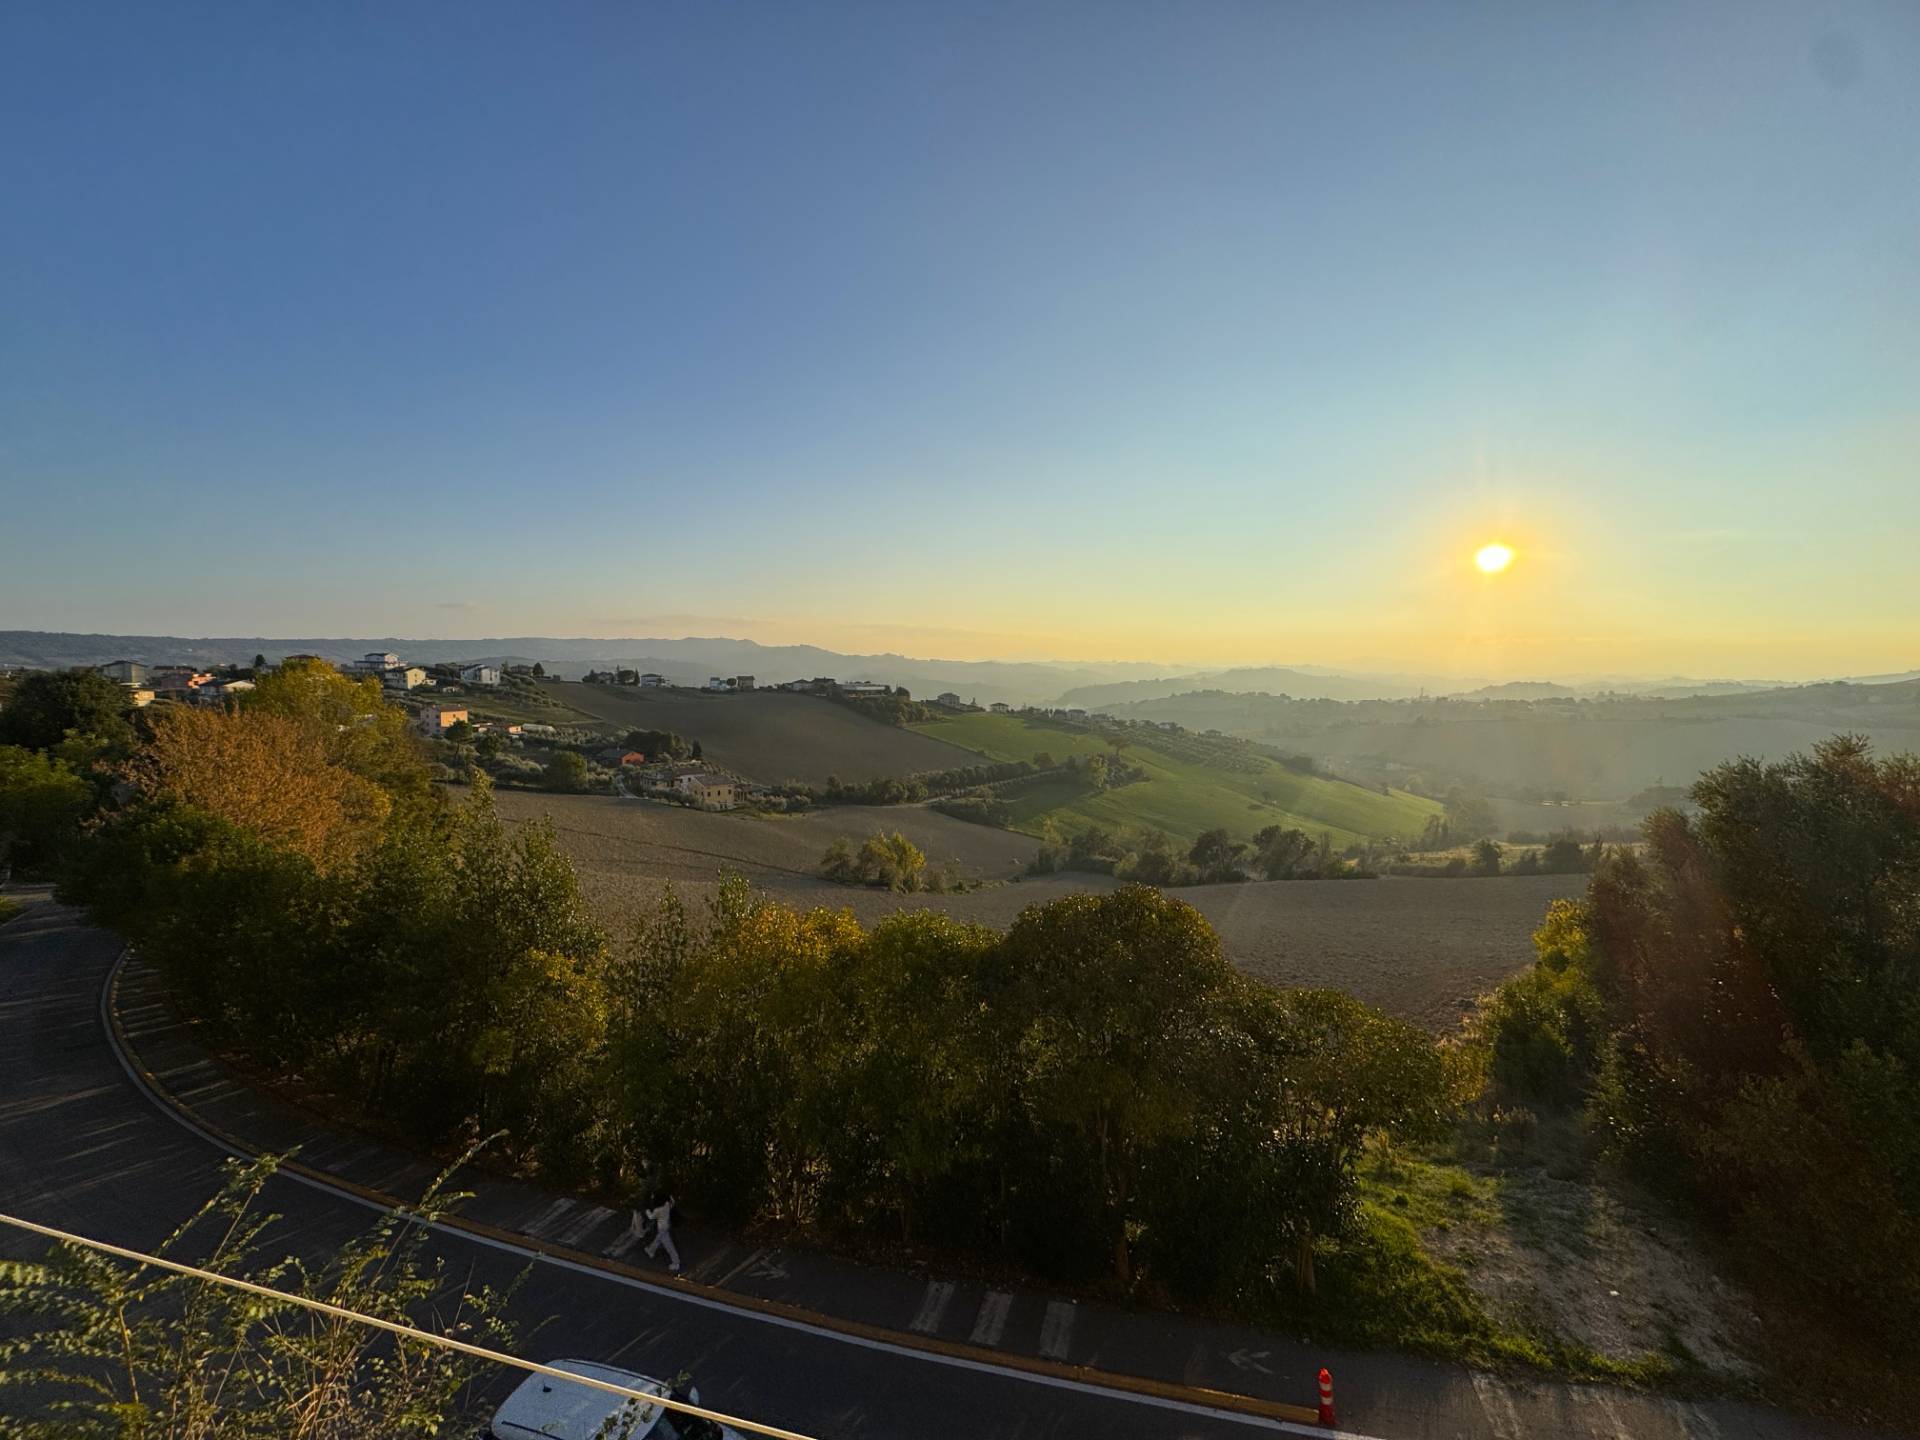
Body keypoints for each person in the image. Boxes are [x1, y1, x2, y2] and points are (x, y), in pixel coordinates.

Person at [644, 1192, 680, 1273]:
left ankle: (676, 1263)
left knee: (668, 1246)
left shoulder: (658, 1210)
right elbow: (672, 1203)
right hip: (666, 1227)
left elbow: (651, 1217)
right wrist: (671, 1197)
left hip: (662, 1228)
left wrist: (647, 1211)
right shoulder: (667, 1205)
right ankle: (651, 1251)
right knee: (658, 1240)